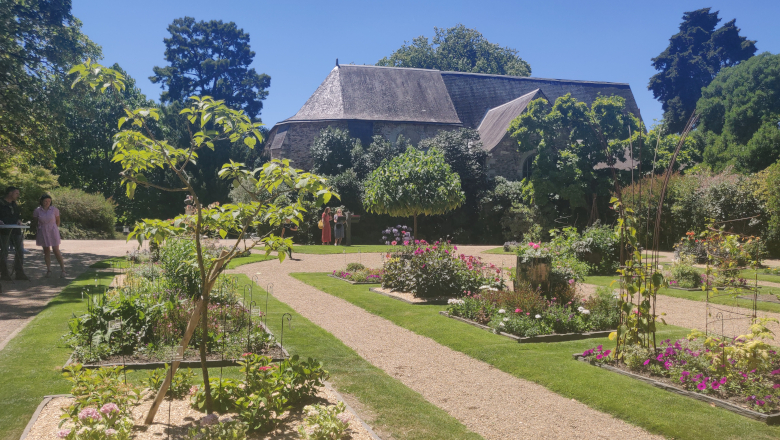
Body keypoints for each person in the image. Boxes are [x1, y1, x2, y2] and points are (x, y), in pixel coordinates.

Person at [33, 194, 66, 278]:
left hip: (52, 230)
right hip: (43, 231)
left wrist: (54, 228)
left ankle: (63, 270)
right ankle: (49, 270)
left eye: (49, 201)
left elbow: (58, 221)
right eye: (45, 201)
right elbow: (35, 222)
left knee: (56, 250)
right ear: (42, 202)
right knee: (46, 251)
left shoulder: (54, 210)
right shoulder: (37, 210)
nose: (47, 203)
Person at [0, 186, 29, 281]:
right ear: (10, 193)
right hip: (4, 231)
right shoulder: (1, 203)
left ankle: (19, 273)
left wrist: (19, 220)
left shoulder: (14, 204)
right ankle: (4, 274)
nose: (18, 195)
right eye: (16, 193)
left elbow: (17, 215)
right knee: (4, 252)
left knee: (20, 250)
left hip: (16, 230)